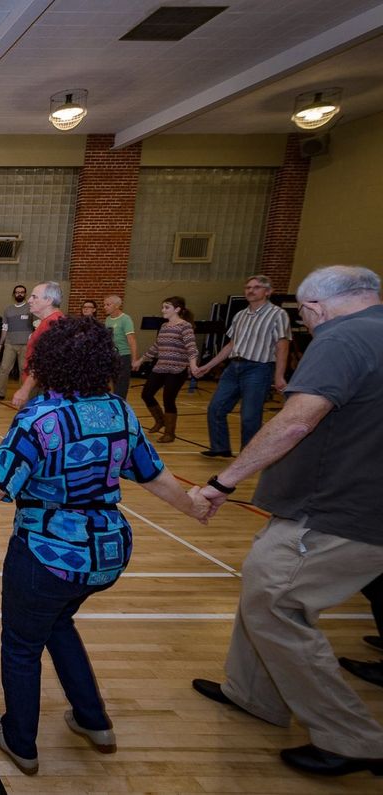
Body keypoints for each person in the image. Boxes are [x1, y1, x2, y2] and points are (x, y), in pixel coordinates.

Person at [0, 316, 209, 776]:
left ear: (49, 361)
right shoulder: (119, 410)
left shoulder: (42, 418)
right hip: (108, 552)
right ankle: (93, 721)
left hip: (49, 553)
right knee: (58, 624)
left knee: (21, 644)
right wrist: (193, 508)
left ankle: (21, 739)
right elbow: (154, 475)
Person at [190, 266, 383, 777]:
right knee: (263, 588)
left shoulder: (342, 339)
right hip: (352, 503)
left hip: (334, 510)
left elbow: (297, 418)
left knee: (276, 602)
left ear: (314, 308)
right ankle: (253, 693)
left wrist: (222, 482)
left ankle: (354, 739)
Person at [195, 275, 291, 457]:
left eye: (256, 287)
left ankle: (249, 453)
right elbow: (231, 345)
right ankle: (220, 447)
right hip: (234, 367)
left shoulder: (278, 315)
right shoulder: (240, 315)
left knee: (250, 415)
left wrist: (279, 376)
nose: (250, 290)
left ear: (268, 292)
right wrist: (209, 365)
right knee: (216, 407)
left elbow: (282, 345)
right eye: (248, 287)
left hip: (259, 368)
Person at [132, 297, 198, 444]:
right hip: (161, 367)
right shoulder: (164, 326)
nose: (163, 310)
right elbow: (156, 347)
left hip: (177, 369)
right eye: (163, 307)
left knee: (169, 399)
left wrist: (193, 365)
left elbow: (191, 348)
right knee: (146, 394)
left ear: (177, 309)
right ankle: (160, 420)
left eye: (166, 307)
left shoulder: (185, 326)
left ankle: (170, 433)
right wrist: (140, 360)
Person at [11, 282, 65, 409]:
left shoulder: (53, 323)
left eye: (34, 297)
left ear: (48, 300)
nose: (29, 300)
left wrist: (25, 390)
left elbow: (44, 362)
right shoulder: (47, 322)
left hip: (41, 387)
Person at [0, 284, 33, 402]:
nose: (19, 294)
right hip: (10, 344)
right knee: (4, 369)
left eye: (22, 292)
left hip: (25, 345)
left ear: (25, 294)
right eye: (17, 292)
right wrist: (0, 344)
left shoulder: (31, 308)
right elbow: (4, 328)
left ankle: (23, 394)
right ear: (14, 294)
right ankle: (0, 393)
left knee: (23, 370)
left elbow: (37, 326)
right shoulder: (8, 310)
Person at [103, 295, 137, 400]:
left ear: (117, 306)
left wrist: (134, 359)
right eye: (104, 304)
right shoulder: (108, 319)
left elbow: (132, 340)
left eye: (108, 304)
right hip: (111, 357)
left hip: (123, 356)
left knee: (120, 387)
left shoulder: (125, 319)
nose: (105, 307)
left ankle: (121, 408)